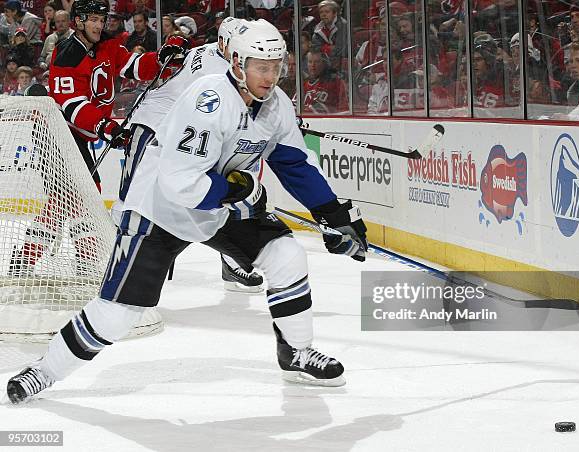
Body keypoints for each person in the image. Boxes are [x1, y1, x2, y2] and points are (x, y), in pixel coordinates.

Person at [7, 19, 368, 404]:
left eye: (276, 67)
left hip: (215, 208)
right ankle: (43, 370)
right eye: (261, 66)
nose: (270, 76)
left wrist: (334, 216)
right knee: (118, 313)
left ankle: (295, 351)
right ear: (237, 63)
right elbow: (180, 183)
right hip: (160, 209)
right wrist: (237, 190)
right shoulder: (208, 99)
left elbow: (294, 163)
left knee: (288, 255)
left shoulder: (276, 105)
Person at [6, 0, 189, 276]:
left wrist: (163, 57)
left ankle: (28, 260)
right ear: (78, 22)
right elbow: (70, 104)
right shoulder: (65, 53)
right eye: (92, 19)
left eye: (101, 20)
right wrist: (106, 126)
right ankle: (86, 262)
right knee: (84, 196)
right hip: (55, 132)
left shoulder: (110, 46)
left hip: (77, 137)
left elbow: (136, 67)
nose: (98, 25)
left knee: (66, 201)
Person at [115, 16, 265, 292]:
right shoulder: (213, 69)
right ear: (223, 43)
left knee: (228, 185)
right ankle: (123, 264)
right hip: (154, 126)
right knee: (135, 198)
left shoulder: (219, 55)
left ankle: (231, 260)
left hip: (193, 133)